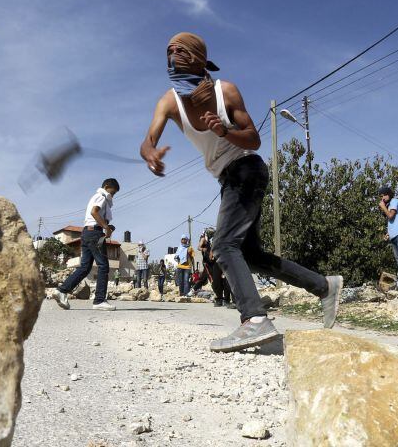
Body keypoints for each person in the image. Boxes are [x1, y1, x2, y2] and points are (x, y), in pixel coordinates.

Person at [140, 32, 343, 352]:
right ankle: (324, 286)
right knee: (251, 256)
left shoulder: (226, 92)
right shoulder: (170, 101)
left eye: (178, 54)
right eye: (169, 54)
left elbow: (253, 139)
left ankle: (255, 319)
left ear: (196, 59)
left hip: (247, 170)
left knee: (222, 244)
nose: (171, 60)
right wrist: (148, 151)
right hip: (228, 179)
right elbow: (148, 139)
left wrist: (225, 130)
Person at [52, 178, 120, 310]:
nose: (113, 196)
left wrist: (106, 226)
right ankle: (99, 300)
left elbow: (94, 215)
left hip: (87, 233)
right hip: (94, 234)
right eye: (113, 192)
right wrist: (106, 227)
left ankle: (61, 291)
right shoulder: (101, 196)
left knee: (84, 268)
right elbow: (94, 212)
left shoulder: (97, 197)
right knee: (103, 266)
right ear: (106, 187)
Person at [200, 228, 232, 307]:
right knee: (216, 281)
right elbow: (211, 250)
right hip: (216, 262)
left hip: (225, 261)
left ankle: (227, 300)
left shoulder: (226, 238)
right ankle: (219, 299)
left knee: (226, 281)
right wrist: (211, 254)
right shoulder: (211, 240)